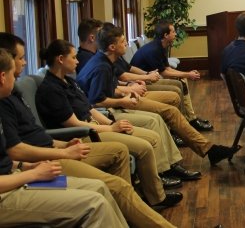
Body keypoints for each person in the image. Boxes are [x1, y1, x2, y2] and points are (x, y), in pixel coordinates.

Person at [0, 33, 177, 227]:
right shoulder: (45, 91)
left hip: (53, 150)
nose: (25, 63)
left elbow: (18, 150)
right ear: (3, 76)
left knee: (118, 162)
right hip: (50, 157)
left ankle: (130, 210)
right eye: (20, 58)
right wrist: (59, 155)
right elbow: (17, 149)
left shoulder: (53, 85)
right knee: (102, 195)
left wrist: (57, 149)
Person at [76, 25, 239, 166]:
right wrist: (126, 98)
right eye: (122, 41)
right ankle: (206, 149)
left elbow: (110, 86)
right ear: (112, 47)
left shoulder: (104, 60)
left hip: (124, 98)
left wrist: (129, 86)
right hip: (116, 107)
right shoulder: (101, 66)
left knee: (173, 100)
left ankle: (191, 137)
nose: (126, 43)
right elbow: (96, 100)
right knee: (170, 112)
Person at [0, 49, 128, 227]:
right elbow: (14, 151)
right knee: (94, 203)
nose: (16, 78)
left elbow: (5, 160)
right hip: (7, 193)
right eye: (12, 73)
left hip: (19, 174)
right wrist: (33, 173)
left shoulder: (13, 98)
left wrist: (26, 166)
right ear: (2, 77)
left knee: (99, 188)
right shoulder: (12, 102)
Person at [37, 39, 187, 192]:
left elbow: (90, 109)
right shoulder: (51, 89)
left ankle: (160, 178)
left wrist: (110, 124)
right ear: (61, 59)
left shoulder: (68, 81)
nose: (77, 61)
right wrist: (110, 129)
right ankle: (157, 193)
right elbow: (74, 124)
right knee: (145, 146)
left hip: (98, 125)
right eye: (73, 57)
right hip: (83, 135)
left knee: (152, 136)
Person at [129, 21, 214, 131]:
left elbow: (167, 68)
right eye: (173, 32)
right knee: (180, 82)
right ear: (166, 35)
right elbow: (164, 73)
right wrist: (187, 74)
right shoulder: (153, 50)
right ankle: (185, 121)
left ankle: (190, 119)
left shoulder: (161, 46)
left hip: (151, 78)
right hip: (140, 82)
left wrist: (187, 74)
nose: (175, 34)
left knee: (182, 79)